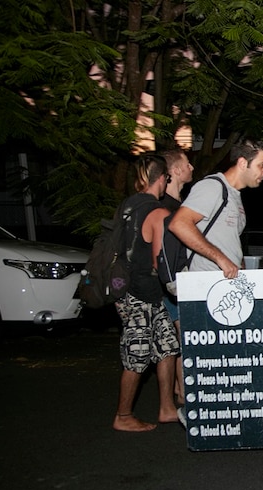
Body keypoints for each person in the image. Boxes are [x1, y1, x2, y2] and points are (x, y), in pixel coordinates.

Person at [112, 154, 180, 432]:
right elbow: (159, 261)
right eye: (167, 178)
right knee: (137, 354)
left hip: (131, 290)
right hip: (140, 294)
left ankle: (167, 408)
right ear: (162, 179)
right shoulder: (158, 212)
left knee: (167, 347)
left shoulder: (128, 205)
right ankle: (123, 415)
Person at [169, 139, 263, 279]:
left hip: (226, 282)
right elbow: (179, 224)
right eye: (262, 166)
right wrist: (221, 259)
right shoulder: (212, 187)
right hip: (206, 283)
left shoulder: (234, 194)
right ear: (242, 163)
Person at [159, 149, 194, 406]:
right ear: (176, 171)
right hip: (172, 285)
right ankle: (183, 394)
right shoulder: (165, 209)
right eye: (187, 163)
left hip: (176, 283)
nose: (191, 166)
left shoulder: (177, 206)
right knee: (183, 340)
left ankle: (179, 392)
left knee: (174, 343)